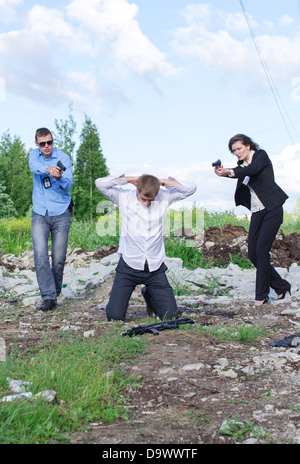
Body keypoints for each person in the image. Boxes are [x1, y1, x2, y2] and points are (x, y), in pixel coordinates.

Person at [95, 174, 197, 321]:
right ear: (137, 190)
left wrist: (161, 181)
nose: (148, 203)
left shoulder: (163, 196)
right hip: (129, 265)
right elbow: (100, 183)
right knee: (115, 317)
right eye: (144, 199)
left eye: (151, 200)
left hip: (154, 267)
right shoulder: (124, 197)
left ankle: (149, 294)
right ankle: (130, 299)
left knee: (171, 317)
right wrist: (129, 179)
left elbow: (191, 188)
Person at [214, 133, 290, 306]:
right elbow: (240, 172)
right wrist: (223, 173)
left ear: (248, 145)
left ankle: (261, 296)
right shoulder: (241, 165)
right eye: (234, 151)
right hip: (257, 211)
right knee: (253, 254)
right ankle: (282, 286)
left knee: (262, 251)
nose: (237, 153)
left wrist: (230, 171)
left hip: (272, 209)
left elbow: (252, 170)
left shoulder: (260, 156)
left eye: (239, 148)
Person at [29, 127, 73, 312]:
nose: (46, 146)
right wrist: (48, 170)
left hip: (61, 212)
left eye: (49, 142)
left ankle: (53, 293)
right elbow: (34, 167)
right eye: (42, 143)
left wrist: (59, 177)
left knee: (59, 258)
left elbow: (68, 184)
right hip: (40, 212)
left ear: (53, 141)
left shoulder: (63, 157)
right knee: (40, 255)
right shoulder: (34, 155)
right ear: (37, 144)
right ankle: (48, 297)